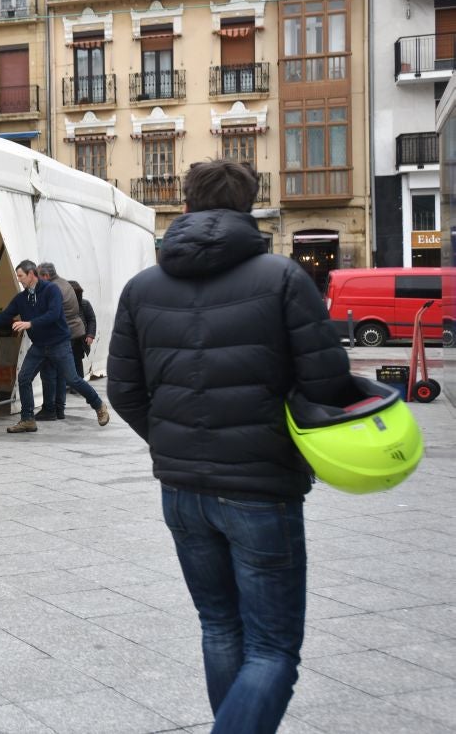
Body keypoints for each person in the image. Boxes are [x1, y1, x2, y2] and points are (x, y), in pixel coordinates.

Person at [107, 159, 352, 733]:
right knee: (272, 649)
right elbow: (326, 384)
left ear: (186, 202)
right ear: (248, 203)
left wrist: (172, 440)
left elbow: (123, 388)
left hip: (183, 489)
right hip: (261, 488)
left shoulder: (142, 287)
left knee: (219, 626)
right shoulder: (284, 277)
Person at [0, 260, 110, 434]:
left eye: (21, 276)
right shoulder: (21, 299)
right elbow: (3, 317)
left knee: (73, 379)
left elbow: (53, 314)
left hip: (59, 343)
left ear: (31, 274)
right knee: (24, 378)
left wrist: (30, 324)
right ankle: (27, 420)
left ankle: (99, 406)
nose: (19, 279)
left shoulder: (51, 290)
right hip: (39, 346)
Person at [36, 262, 86, 420]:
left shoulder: (53, 288)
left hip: (60, 335)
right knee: (61, 374)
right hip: (72, 332)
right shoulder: (64, 283)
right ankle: (59, 409)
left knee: (52, 373)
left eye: (37, 276)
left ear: (45, 276)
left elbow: (49, 314)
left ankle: (51, 409)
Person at [68, 279, 97, 384]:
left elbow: (91, 319)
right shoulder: (61, 304)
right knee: (65, 362)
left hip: (79, 339)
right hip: (65, 339)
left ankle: (78, 385)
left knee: (77, 361)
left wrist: (90, 335)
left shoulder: (85, 304)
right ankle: (67, 384)